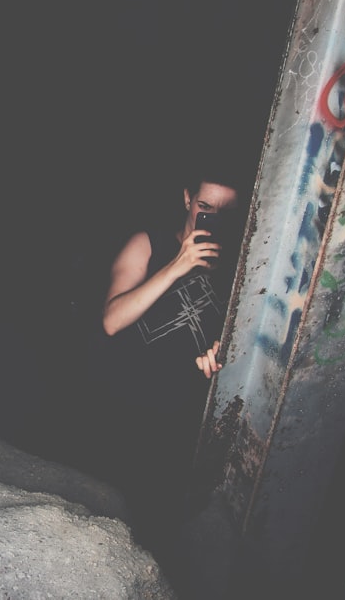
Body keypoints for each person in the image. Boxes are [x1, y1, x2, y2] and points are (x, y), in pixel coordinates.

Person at [95, 164, 244, 560]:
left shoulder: (239, 267)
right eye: (204, 206)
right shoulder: (149, 244)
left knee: (171, 540)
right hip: (129, 411)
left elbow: (236, 345)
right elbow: (112, 319)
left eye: (222, 212)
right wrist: (179, 263)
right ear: (186, 200)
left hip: (186, 423)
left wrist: (221, 356)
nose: (210, 218)